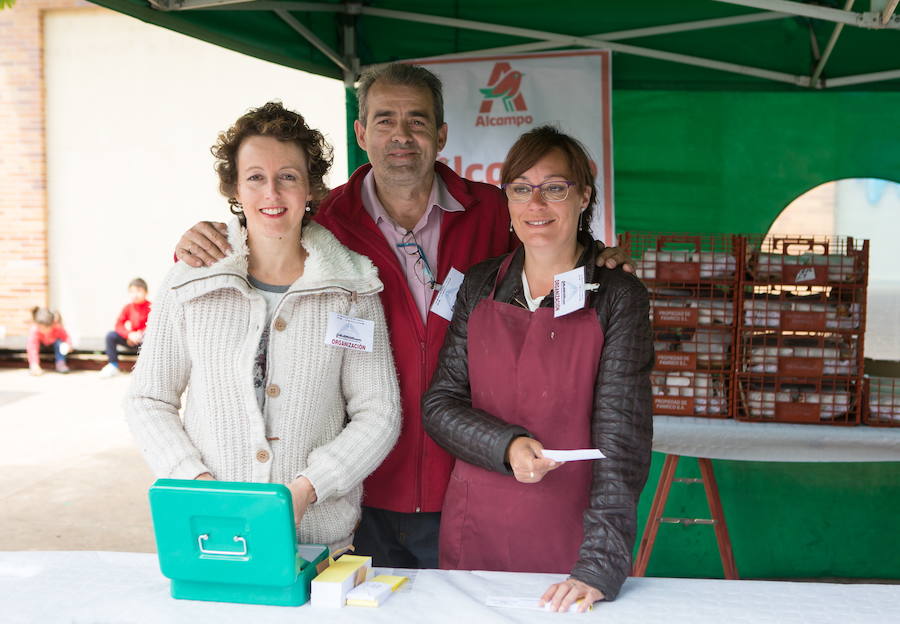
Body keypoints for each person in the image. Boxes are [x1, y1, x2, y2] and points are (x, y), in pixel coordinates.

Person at [172, 63, 633, 568]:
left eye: (416, 121)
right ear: (361, 132)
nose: (401, 135)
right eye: (385, 120)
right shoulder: (325, 222)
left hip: (472, 472)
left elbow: (548, 239)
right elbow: (261, 233)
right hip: (355, 483)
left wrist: (596, 258)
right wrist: (204, 241)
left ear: (440, 135)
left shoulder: (491, 210)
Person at [125, 102, 401, 553]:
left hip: (318, 538)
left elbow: (380, 412)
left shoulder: (353, 286)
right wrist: (195, 481)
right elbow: (148, 398)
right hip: (207, 529)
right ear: (234, 186)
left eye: (288, 176)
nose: (271, 192)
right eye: (255, 176)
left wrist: (308, 488)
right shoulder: (191, 280)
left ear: (311, 187)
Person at [422, 126, 654, 612]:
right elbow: (440, 405)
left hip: (570, 536)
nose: (537, 204)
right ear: (507, 198)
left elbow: (623, 437)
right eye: (522, 188)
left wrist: (599, 564)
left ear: (583, 195)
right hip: (475, 528)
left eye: (555, 188)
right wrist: (504, 445)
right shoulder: (482, 283)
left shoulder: (617, 295)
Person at [99, 277, 151, 378]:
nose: (135, 294)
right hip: (131, 340)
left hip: (144, 340)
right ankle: (113, 365)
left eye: (139, 291)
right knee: (111, 336)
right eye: (132, 291)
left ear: (146, 292)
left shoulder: (151, 307)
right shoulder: (128, 307)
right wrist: (129, 335)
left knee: (150, 337)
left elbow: (153, 326)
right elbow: (119, 324)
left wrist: (139, 335)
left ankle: (145, 369)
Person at [26, 307, 72, 375]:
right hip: (41, 345)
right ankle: (35, 366)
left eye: (45, 328)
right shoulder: (35, 330)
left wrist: (69, 345)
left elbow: (66, 337)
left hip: (53, 344)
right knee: (34, 344)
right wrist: (34, 364)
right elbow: (32, 347)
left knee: (59, 343)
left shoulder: (57, 327)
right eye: (40, 327)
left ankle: (60, 363)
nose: (42, 330)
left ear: (52, 324)